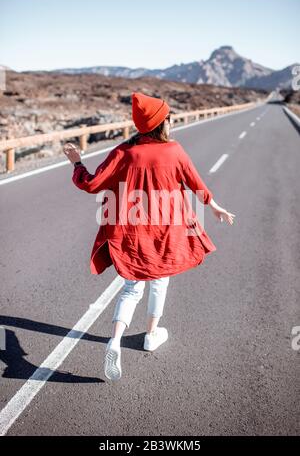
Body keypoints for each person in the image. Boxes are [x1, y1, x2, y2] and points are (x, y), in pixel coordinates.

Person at [63, 92, 235, 381]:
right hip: (165, 232)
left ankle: (115, 340)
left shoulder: (124, 152)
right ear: (162, 123)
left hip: (132, 233)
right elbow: (196, 183)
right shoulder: (174, 150)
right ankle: (151, 335)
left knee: (131, 289)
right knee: (159, 284)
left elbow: (91, 184)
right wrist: (215, 208)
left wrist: (77, 163)